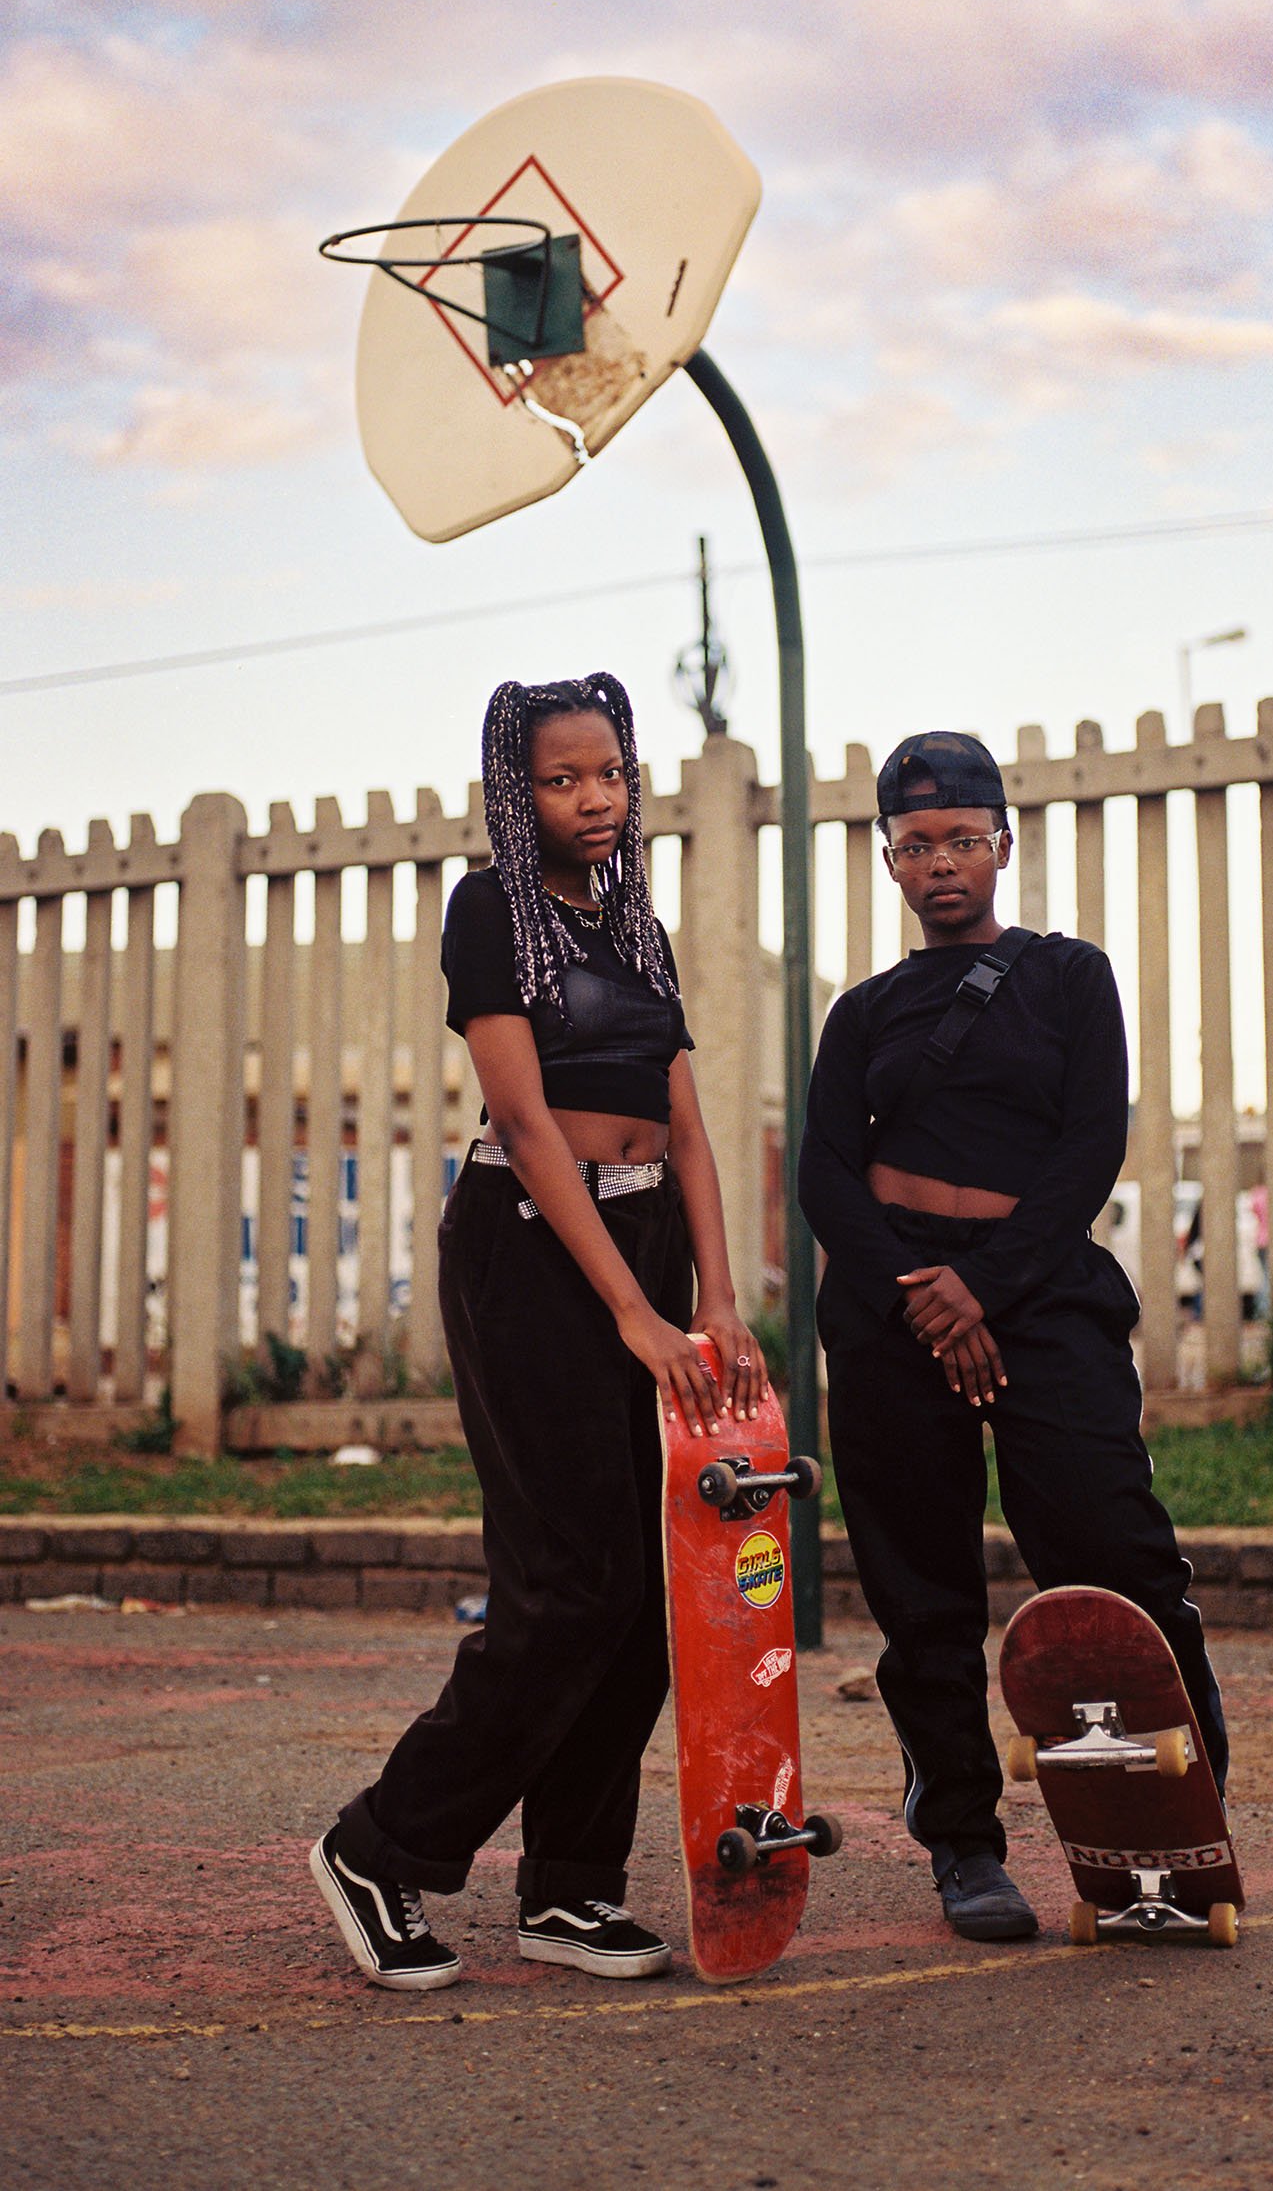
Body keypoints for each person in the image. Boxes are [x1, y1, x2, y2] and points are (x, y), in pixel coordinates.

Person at [312, 671, 766, 1989]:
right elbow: (521, 1123)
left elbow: (683, 1126)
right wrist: (627, 1313)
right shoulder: (490, 912)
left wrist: (714, 1298)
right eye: (564, 779)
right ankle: (381, 1846)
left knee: (648, 1604)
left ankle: (570, 1891)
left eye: (611, 772)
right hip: (527, 1250)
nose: (595, 798)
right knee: (572, 1583)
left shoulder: (639, 928)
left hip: (649, 1244)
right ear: (520, 793)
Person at [798, 730, 1228, 1943]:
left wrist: (982, 1290)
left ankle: (1175, 1806)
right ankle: (965, 1847)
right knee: (923, 1594)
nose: (942, 863)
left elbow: (1090, 1145)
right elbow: (826, 1173)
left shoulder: (1066, 976)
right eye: (916, 843)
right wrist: (920, 1295)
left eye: (964, 840)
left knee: (1112, 1557)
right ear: (888, 859)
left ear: (1003, 844)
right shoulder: (865, 1012)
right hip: (890, 1317)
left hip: (1036, 1298)